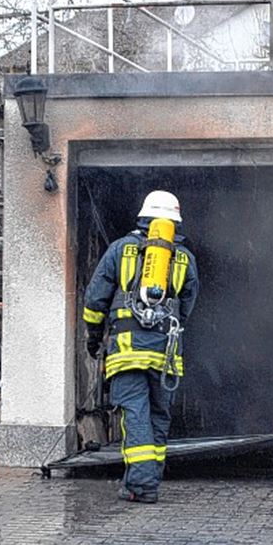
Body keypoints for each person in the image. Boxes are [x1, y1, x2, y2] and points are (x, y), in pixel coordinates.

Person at [82, 190, 199, 504]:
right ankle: (149, 479)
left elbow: (94, 301)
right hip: (166, 354)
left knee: (135, 414)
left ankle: (141, 485)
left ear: (143, 217)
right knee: (159, 416)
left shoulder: (120, 250)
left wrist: (93, 337)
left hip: (128, 351)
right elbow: (186, 307)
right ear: (174, 222)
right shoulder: (184, 258)